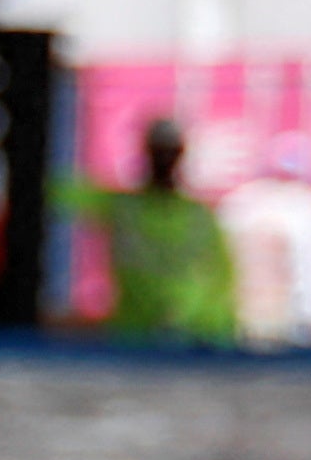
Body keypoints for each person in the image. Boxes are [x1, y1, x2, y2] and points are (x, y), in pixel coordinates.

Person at [57, 117, 239, 344]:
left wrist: (218, 339)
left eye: (169, 152)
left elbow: (222, 280)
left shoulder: (199, 216)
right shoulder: (122, 206)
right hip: (133, 339)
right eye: (159, 152)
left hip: (191, 342)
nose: (164, 160)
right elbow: (56, 191)